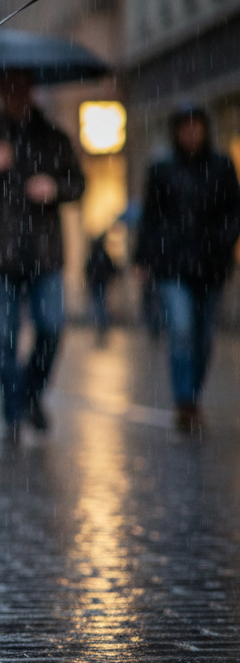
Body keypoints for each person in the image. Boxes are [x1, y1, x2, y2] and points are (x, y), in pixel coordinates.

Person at [0, 69, 85, 444]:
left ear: (31, 90)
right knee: (3, 338)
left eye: (20, 88)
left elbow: (78, 183)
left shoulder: (53, 137)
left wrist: (54, 187)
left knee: (52, 326)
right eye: (7, 89)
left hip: (44, 252)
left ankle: (29, 394)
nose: (13, 95)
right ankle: (14, 413)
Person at [133, 103, 240, 433]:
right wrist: (144, 257)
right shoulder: (162, 168)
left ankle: (192, 394)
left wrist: (223, 239)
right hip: (173, 265)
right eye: (185, 127)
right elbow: (150, 217)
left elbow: (234, 210)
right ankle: (185, 400)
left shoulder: (221, 166)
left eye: (196, 126)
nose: (191, 133)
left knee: (203, 337)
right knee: (180, 330)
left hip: (211, 265)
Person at [84, 232, 121, 346]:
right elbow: (111, 269)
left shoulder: (96, 255)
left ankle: (101, 324)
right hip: (100, 283)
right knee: (101, 304)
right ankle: (101, 324)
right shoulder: (102, 255)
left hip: (98, 283)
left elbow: (88, 269)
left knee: (99, 304)